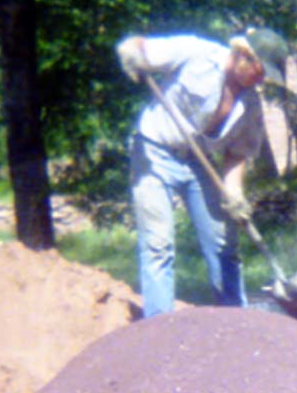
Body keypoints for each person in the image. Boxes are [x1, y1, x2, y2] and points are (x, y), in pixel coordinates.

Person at [116, 28, 287, 317]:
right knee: (158, 246)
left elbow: (238, 152)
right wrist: (133, 54)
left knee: (223, 243)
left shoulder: (250, 105)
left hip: (197, 161)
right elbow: (140, 48)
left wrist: (234, 192)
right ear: (243, 55)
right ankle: (160, 324)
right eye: (259, 71)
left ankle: (235, 319)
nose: (260, 80)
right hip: (154, 151)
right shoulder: (196, 54)